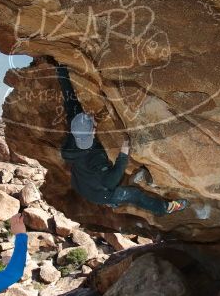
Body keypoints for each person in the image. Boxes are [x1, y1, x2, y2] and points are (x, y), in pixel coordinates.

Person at [56, 64, 188, 216]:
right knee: (133, 194)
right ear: (92, 131)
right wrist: (124, 153)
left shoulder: (76, 127)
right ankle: (166, 208)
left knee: (72, 107)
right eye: (92, 122)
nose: (92, 117)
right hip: (98, 193)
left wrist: (61, 70)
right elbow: (113, 177)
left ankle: (112, 198)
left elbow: (69, 100)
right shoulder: (96, 167)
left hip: (80, 183)